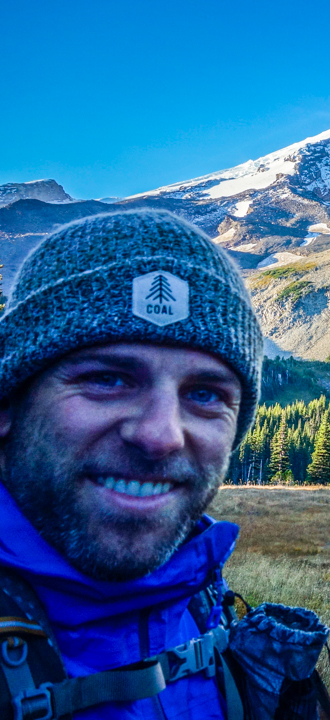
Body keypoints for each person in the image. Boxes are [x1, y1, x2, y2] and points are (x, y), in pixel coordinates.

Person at [0, 210, 265, 718]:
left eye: (205, 394)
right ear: (8, 406)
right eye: (109, 379)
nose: (161, 435)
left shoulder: (213, 621)